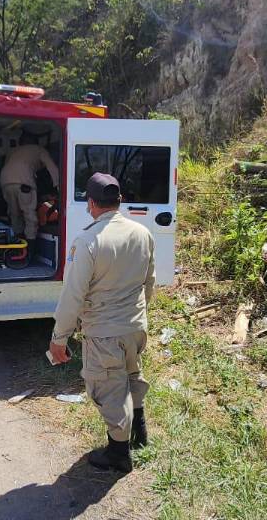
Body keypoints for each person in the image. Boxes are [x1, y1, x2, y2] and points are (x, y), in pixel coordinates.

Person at [49, 173, 155, 473]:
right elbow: (149, 282)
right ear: (119, 201)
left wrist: (59, 337)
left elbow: (73, 295)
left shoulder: (89, 240)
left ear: (91, 203)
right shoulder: (142, 233)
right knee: (132, 375)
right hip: (136, 325)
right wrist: (138, 315)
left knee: (109, 389)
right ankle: (139, 433)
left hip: (105, 331)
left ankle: (119, 453)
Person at [0, 143, 59, 240]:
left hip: (5, 181)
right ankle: (30, 248)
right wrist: (58, 186)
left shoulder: (14, 150)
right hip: (24, 182)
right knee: (29, 216)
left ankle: (17, 243)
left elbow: (7, 164)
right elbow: (51, 167)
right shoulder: (40, 150)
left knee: (15, 214)